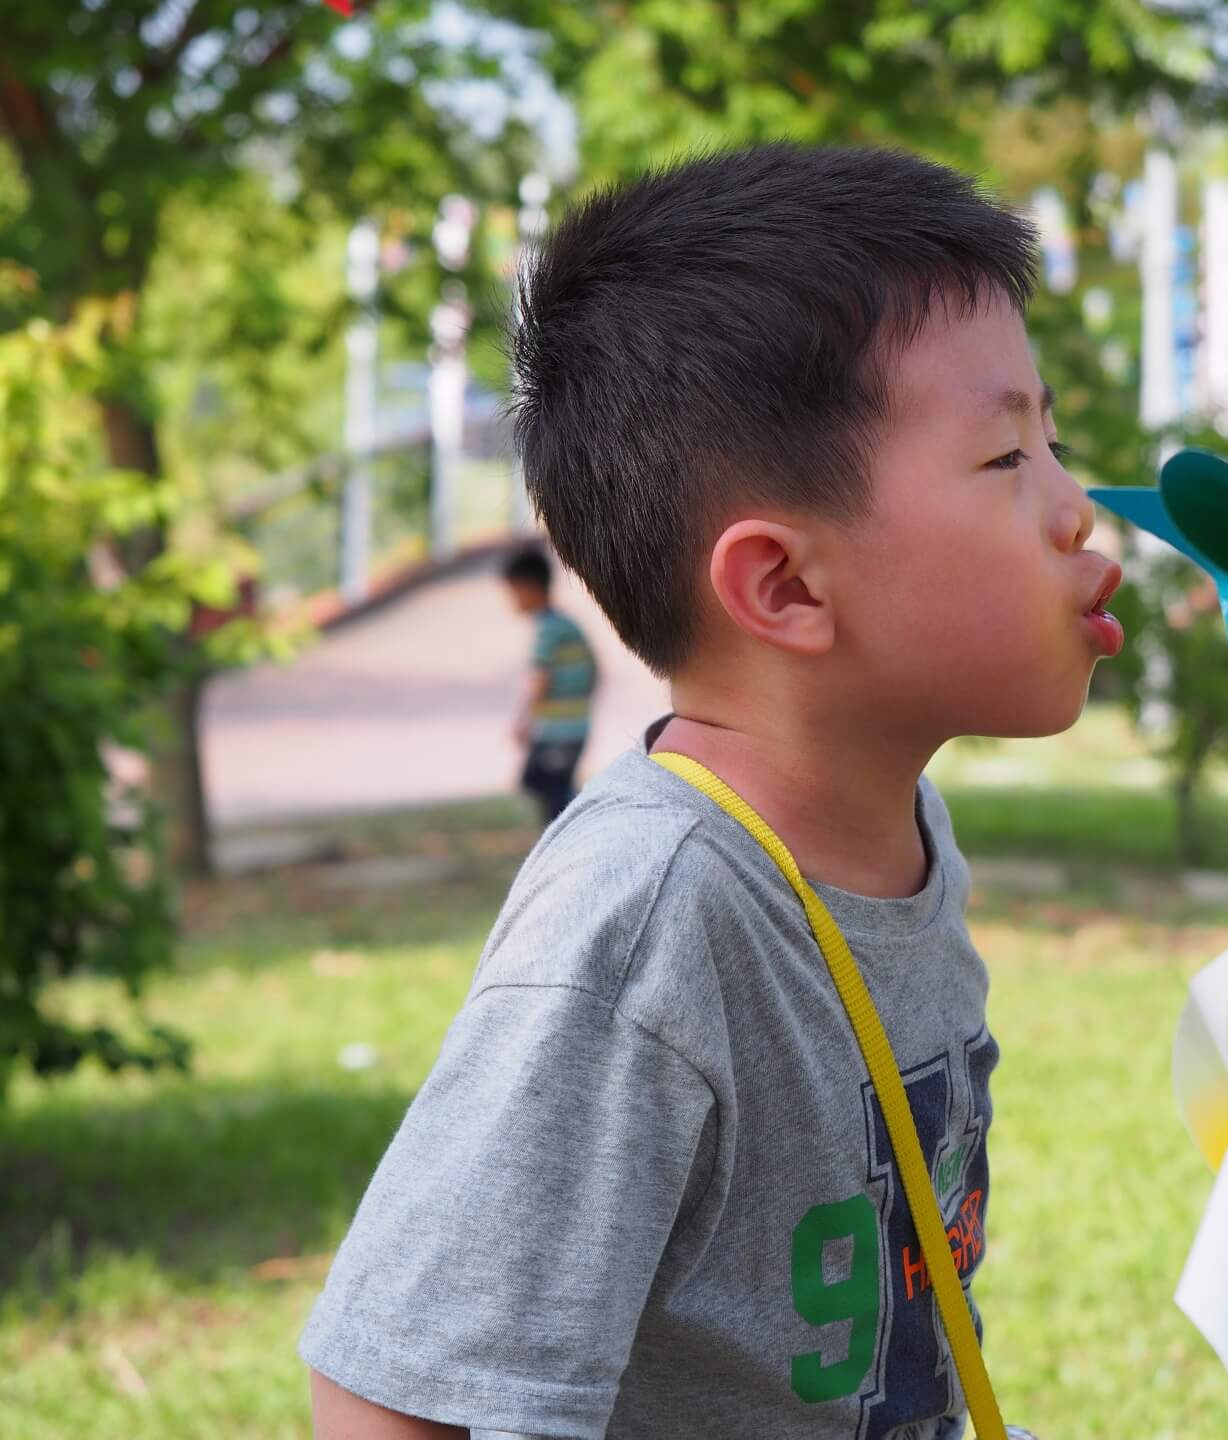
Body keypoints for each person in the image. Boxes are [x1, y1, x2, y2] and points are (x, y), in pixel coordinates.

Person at [301, 144, 1122, 1440]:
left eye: (1052, 442)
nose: (1077, 510)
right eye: (1005, 457)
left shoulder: (900, 837)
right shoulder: (647, 922)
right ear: (785, 587)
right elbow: (385, 1397)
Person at [502, 545, 599, 824]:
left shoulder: (549, 629)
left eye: (513, 592)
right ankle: (576, 830)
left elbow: (539, 679)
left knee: (547, 788)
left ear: (528, 587)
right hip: (571, 725)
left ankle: (581, 829)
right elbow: (593, 672)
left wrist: (523, 720)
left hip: (560, 730)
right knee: (546, 785)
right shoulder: (564, 625)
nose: (511, 601)